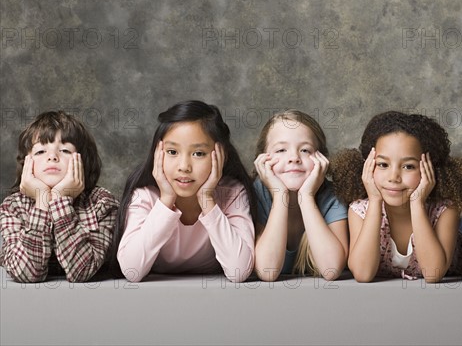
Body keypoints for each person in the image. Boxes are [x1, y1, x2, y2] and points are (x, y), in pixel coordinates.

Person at [331, 111, 462, 283]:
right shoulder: (359, 211)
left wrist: (417, 203)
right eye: (383, 164)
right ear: (368, 167)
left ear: (429, 169)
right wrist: (375, 200)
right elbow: (363, 274)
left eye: (408, 166)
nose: (393, 177)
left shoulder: (445, 210)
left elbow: (432, 274)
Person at [114, 100, 256, 282]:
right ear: (158, 153)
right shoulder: (145, 196)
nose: (184, 167)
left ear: (221, 156)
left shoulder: (232, 193)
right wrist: (166, 200)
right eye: (172, 152)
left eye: (198, 154)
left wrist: (207, 200)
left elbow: (239, 270)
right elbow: (131, 270)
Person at [0, 111, 119, 282]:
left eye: (64, 150)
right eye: (40, 151)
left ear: (83, 161)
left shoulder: (102, 203)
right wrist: (42, 200)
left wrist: (60, 200)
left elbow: (82, 271)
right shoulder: (13, 206)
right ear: (26, 164)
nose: (52, 156)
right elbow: (26, 273)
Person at [253, 110, 348, 281]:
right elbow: (268, 271)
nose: (294, 158)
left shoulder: (333, 196)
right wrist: (279, 195)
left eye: (305, 150)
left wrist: (306, 196)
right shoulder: (256, 194)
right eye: (281, 150)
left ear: (321, 159)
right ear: (262, 159)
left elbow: (331, 269)